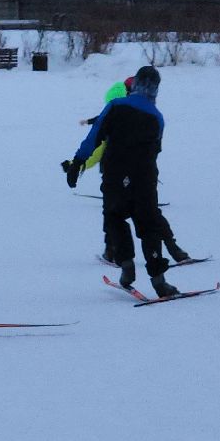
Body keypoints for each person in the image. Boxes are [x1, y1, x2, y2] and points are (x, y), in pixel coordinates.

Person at [62, 66, 189, 298]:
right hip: (144, 177)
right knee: (148, 225)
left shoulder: (116, 105)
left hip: (115, 173)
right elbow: (155, 151)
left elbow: (95, 136)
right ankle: (159, 281)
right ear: (156, 90)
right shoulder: (157, 118)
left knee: (114, 216)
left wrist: (78, 162)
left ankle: (126, 263)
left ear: (135, 84)